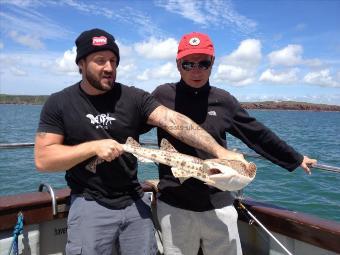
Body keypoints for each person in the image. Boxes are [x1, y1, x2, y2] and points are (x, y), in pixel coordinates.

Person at [34, 28, 246, 255]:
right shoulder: (59, 103)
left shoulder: (133, 97)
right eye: (100, 60)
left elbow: (171, 119)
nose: (109, 67)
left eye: (113, 61)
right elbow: (44, 159)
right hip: (89, 201)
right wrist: (92, 147)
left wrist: (219, 152)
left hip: (134, 199)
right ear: (81, 64)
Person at [151, 32, 317, 255]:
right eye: (188, 63)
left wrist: (295, 158)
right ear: (178, 65)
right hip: (174, 204)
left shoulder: (224, 100)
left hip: (218, 202)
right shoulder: (162, 95)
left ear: (213, 63)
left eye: (204, 63)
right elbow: (130, 123)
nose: (196, 70)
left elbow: (256, 134)